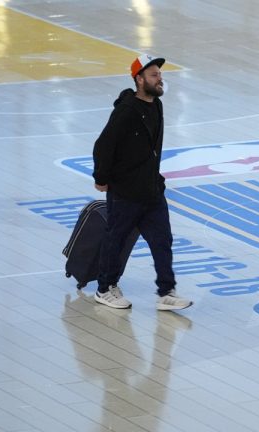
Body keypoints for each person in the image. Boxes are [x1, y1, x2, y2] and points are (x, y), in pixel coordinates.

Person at [92, 54, 192, 311]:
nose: (160, 79)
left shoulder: (156, 105)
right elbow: (103, 145)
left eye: (160, 74)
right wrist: (101, 178)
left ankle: (166, 292)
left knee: (162, 240)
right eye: (154, 75)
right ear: (139, 80)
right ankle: (105, 288)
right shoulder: (126, 111)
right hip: (125, 191)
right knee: (117, 240)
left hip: (151, 189)